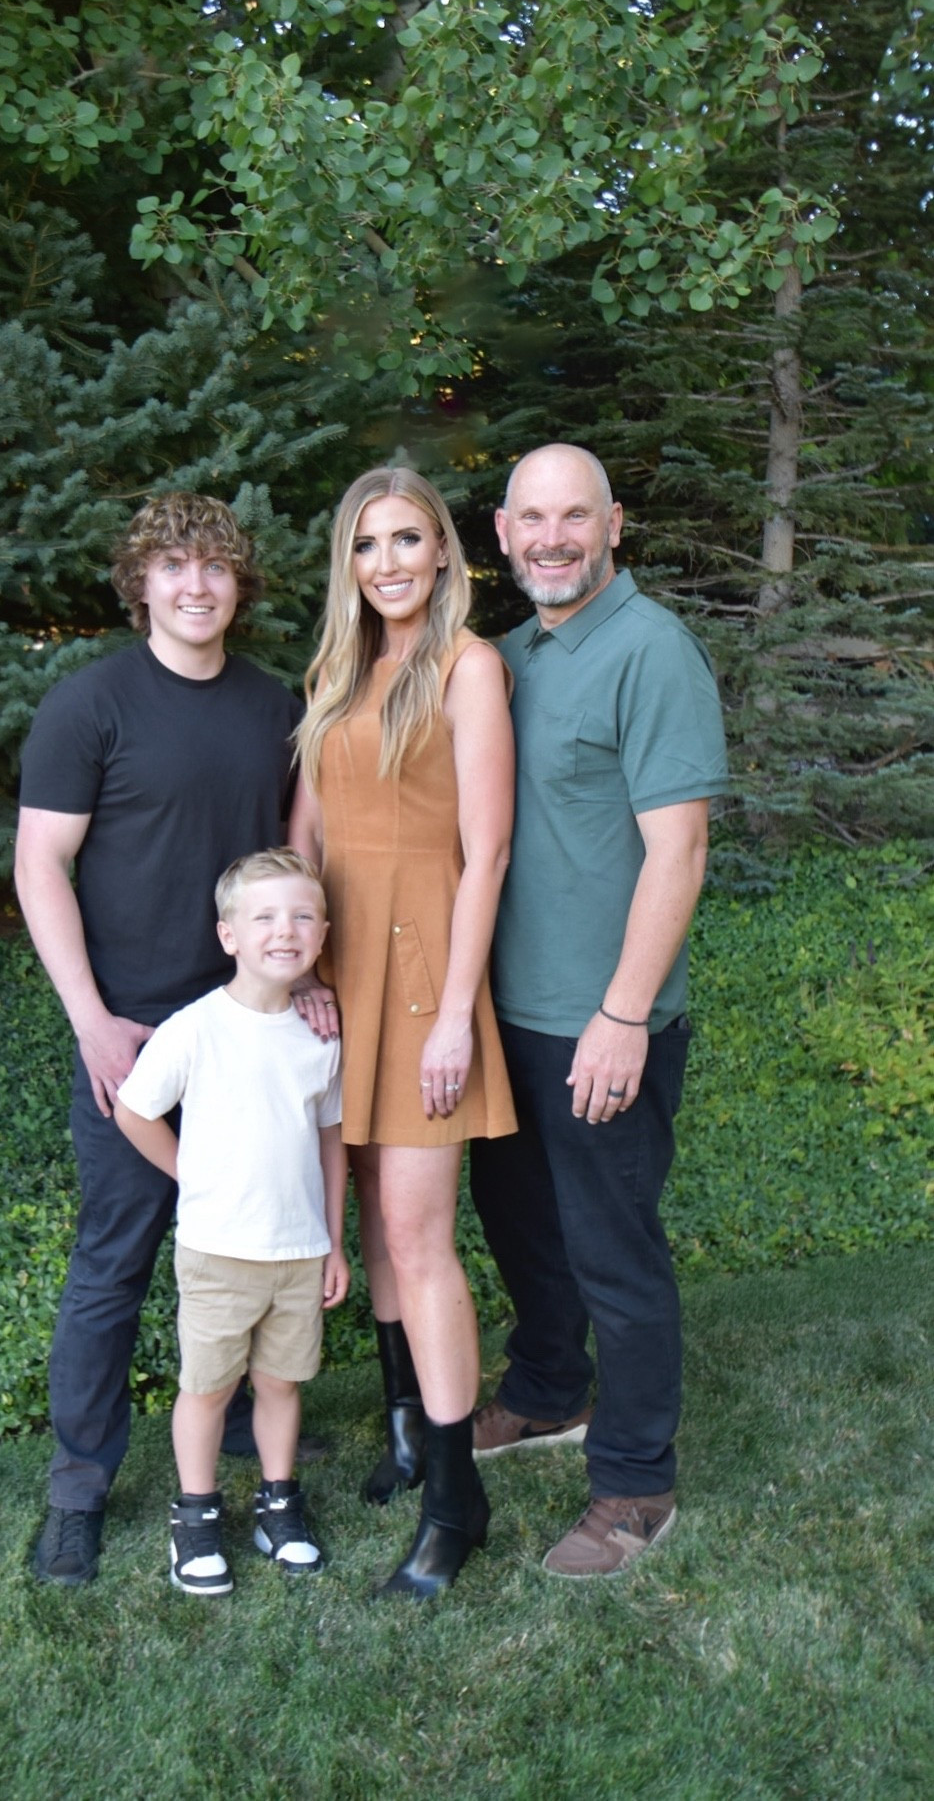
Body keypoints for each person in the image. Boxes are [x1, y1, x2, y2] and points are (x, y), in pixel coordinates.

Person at [14, 492, 307, 1586]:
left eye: (216, 566)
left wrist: (304, 978)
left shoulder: (273, 706)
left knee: (253, 1248)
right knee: (114, 1263)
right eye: (174, 565)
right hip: (133, 1038)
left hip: (249, 1033)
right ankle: (80, 1489)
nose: (197, 584)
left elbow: (291, 868)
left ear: (240, 583)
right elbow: (40, 864)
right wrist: (91, 1020)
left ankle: (238, 1436)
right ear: (139, 581)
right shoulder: (89, 705)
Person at [469, 441, 728, 1577]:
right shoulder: (509, 657)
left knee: (614, 1251)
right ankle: (545, 1392)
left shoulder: (650, 651)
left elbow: (680, 850)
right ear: (502, 529)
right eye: (534, 517)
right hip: (507, 1014)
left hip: (603, 1021)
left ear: (614, 524)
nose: (553, 536)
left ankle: (634, 1481)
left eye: (575, 515)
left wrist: (624, 1015)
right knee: (525, 1226)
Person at [289, 465, 517, 1597]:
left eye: (408, 540)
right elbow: (308, 830)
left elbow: (489, 853)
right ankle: (407, 1433)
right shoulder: (339, 668)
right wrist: (300, 968)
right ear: (352, 560)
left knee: (422, 1238)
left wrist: (456, 1017)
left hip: (427, 969)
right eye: (368, 544)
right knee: (379, 1219)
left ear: (442, 552)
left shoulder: (468, 667)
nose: (388, 563)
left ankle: (457, 1496)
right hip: (343, 971)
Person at [114, 849, 348, 1595]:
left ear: (323, 934)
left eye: (303, 916)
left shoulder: (320, 1038)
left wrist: (334, 1242)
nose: (286, 930)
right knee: (209, 1390)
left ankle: (278, 1505)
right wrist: (192, 1174)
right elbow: (133, 1109)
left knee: (281, 1385)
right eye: (266, 917)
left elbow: (330, 1142)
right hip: (218, 1250)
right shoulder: (196, 1029)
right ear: (229, 937)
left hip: (298, 1250)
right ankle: (196, 1516)